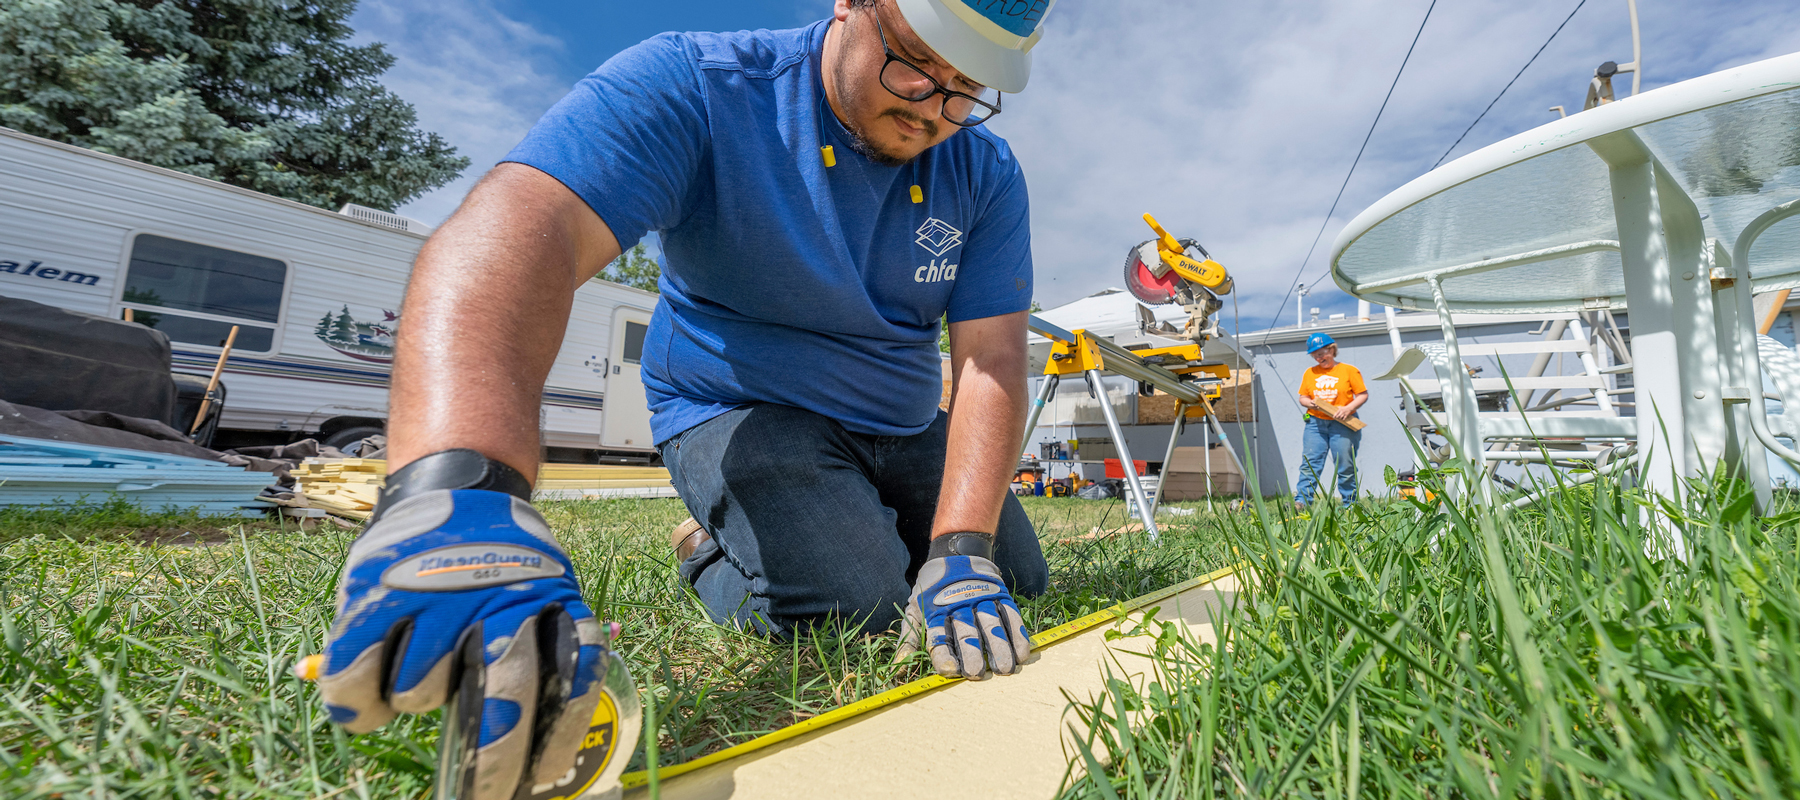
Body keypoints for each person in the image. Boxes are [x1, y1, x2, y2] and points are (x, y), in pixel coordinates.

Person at [314, 1, 1058, 790]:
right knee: (859, 610)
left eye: (963, 87)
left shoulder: (982, 168)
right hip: (743, 408)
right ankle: (702, 551)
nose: (929, 106)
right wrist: (461, 485)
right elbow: (529, 224)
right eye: (911, 59)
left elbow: (991, 360)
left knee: (1016, 580)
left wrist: (962, 552)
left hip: (902, 418)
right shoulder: (701, 86)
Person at [1295, 332, 1367, 505]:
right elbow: (1303, 397)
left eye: (1322, 353)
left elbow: (1362, 395)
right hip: (1315, 424)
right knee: (1310, 463)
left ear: (1332, 349)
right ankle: (1302, 503)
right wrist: (1310, 404)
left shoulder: (1349, 370)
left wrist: (1348, 408)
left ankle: (1350, 504)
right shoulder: (1310, 373)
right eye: (1315, 355)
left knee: (1345, 464)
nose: (1319, 358)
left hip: (1343, 423)